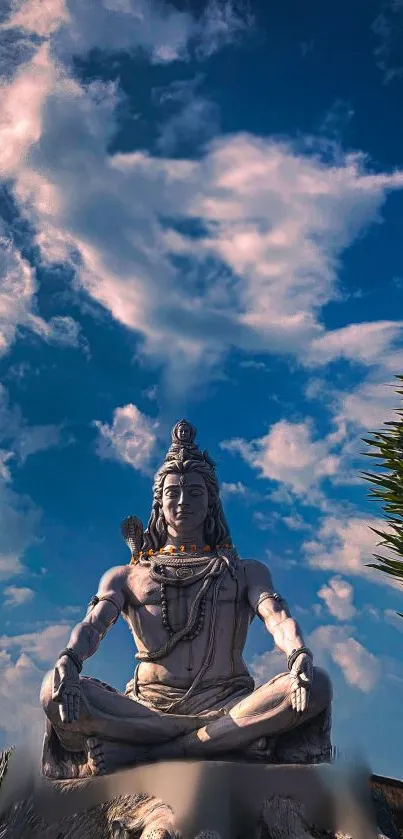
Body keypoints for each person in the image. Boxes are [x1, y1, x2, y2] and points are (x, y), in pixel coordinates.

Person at [40, 420, 332, 779]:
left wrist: (298, 654)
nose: (183, 503)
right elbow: (93, 626)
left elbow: (276, 616)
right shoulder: (127, 575)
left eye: (195, 493)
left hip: (227, 703)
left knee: (315, 683)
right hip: (149, 711)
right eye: (172, 493)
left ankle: (154, 752)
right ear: (158, 503)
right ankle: (224, 742)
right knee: (50, 690)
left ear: (211, 502)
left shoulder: (244, 571)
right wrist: (69, 660)